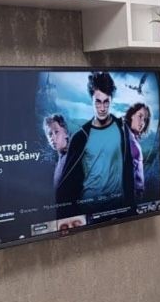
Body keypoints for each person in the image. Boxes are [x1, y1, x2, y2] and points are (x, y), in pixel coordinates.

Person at [56, 72, 136, 212]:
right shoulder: (81, 137)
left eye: (106, 102)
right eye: (98, 102)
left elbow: (129, 171)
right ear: (91, 100)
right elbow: (67, 185)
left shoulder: (122, 129)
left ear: (111, 100)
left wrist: (131, 208)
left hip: (118, 210)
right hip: (90, 211)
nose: (102, 108)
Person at [124, 102, 152, 199]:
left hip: (136, 193)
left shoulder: (132, 136)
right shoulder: (124, 134)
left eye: (145, 119)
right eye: (140, 116)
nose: (142, 123)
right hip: (130, 193)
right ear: (132, 115)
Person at [43, 114, 70, 189]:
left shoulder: (74, 156)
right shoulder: (59, 161)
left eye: (56, 132)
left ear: (66, 133)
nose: (52, 137)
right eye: (50, 134)